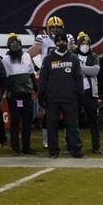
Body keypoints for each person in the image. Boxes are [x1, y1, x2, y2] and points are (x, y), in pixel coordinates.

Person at [38, 31, 84, 159]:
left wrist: (80, 94)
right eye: (58, 41)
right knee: (52, 127)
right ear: (55, 43)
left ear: (66, 41)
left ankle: (75, 150)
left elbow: (78, 78)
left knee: (72, 127)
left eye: (63, 40)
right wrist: (41, 95)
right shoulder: (48, 59)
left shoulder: (74, 58)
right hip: (52, 99)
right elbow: (43, 79)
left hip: (70, 98)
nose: (61, 43)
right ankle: (53, 151)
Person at [2, 34, 36, 155]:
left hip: (27, 95)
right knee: (15, 122)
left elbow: (31, 74)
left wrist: (35, 90)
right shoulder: (5, 60)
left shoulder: (27, 56)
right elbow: (4, 79)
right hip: (14, 96)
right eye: (11, 44)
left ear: (20, 45)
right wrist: (5, 93)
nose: (14, 46)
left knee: (27, 122)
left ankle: (26, 147)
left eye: (16, 43)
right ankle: (15, 148)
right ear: (8, 46)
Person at [75, 32, 102, 154]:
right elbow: (70, 71)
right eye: (83, 43)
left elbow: (95, 71)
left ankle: (96, 147)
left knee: (93, 120)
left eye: (87, 43)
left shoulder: (93, 55)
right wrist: (86, 70)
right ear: (78, 44)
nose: (85, 45)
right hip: (75, 92)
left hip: (90, 92)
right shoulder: (72, 55)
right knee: (73, 120)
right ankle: (73, 145)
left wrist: (80, 68)